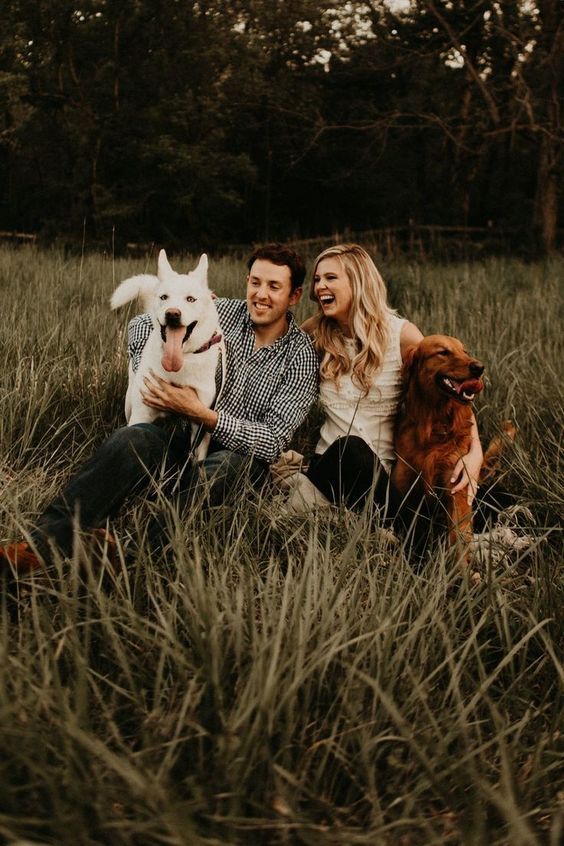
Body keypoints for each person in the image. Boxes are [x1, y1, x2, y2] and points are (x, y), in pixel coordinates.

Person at [0, 244, 319, 573]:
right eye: (255, 282)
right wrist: (148, 378)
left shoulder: (300, 356)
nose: (260, 294)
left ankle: (127, 560)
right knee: (133, 438)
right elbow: (142, 324)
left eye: (273, 286)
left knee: (225, 464)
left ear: (294, 296)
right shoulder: (216, 308)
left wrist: (204, 415)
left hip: (240, 466)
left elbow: (273, 440)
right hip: (182, 445)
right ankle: (39, 547)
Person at [300, 243, 484, 541]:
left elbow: (447, 392)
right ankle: (422, 543)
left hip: (387, 473)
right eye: (317, 279)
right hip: (333, 466)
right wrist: (205, 305)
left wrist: (474, 453)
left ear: (358, 281)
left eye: (330, 278)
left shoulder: (401, 334)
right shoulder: (316, 331)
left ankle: (417, 531)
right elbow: (271, 338)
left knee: (485, 496)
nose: (320, 286)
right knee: (351, 448)